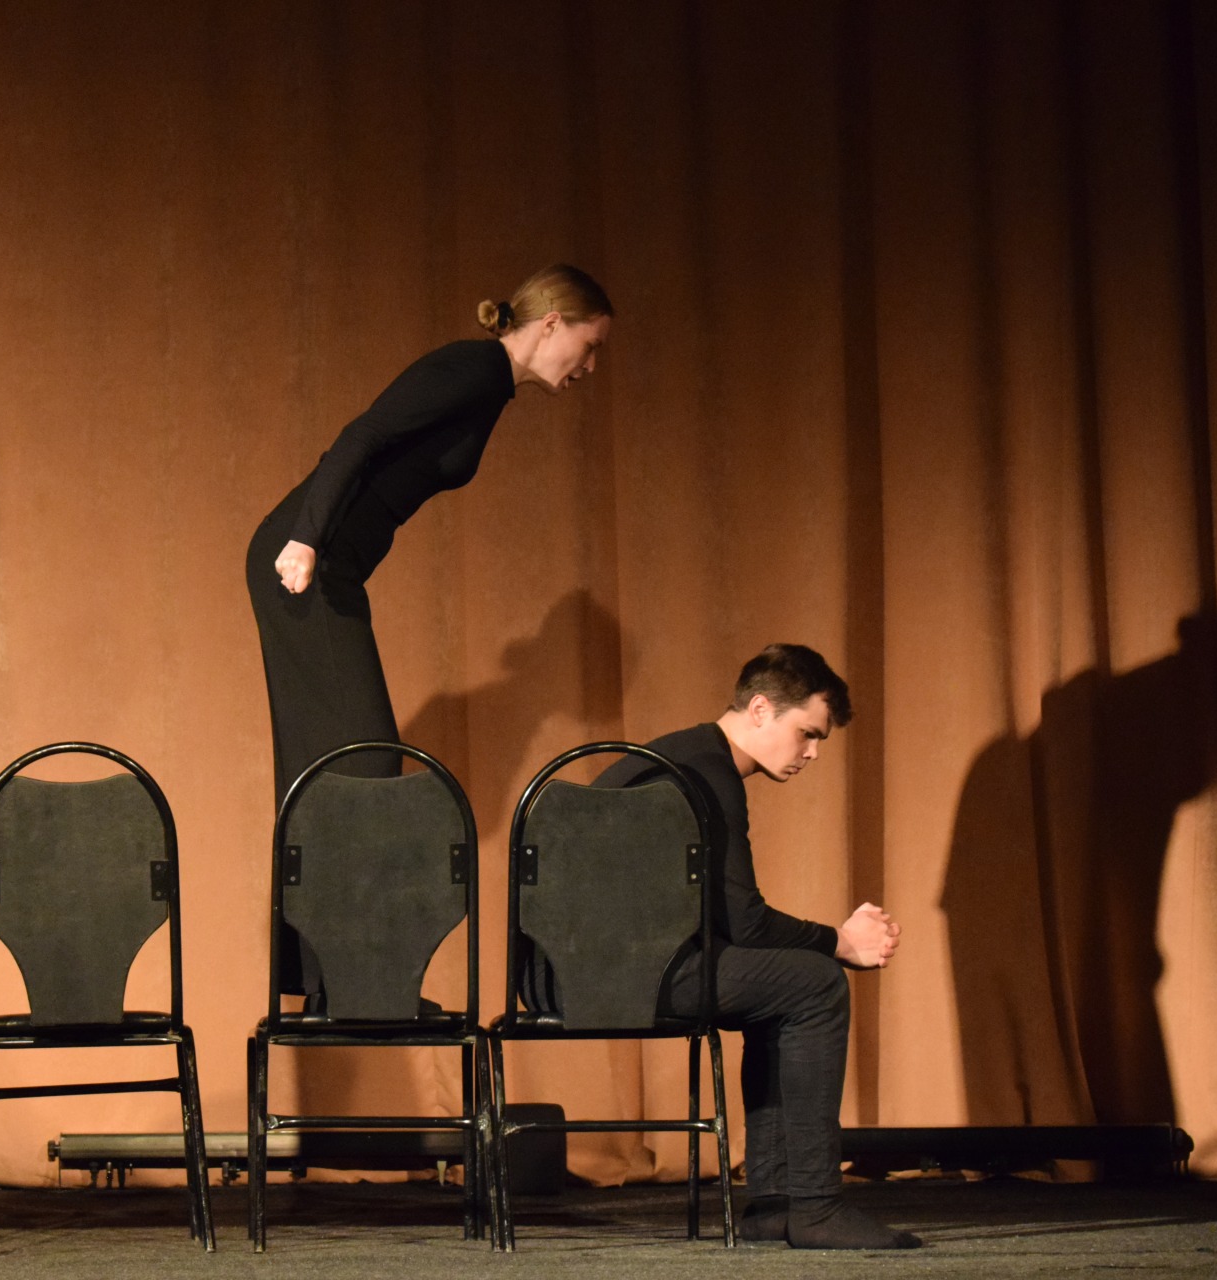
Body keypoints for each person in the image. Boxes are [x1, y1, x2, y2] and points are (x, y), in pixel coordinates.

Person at [246, 264, 613, 808]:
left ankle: (312, 863)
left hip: (329, 564)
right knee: (363, 760)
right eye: (590, 346)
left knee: (331, 758)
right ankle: (329, 864)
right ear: (553, 324)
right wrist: (305, 539)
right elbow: (362, 435)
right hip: (307, 559)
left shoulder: (492, 386)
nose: (591, 365)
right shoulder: (476, 369)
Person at [595, 644, 921, 1249]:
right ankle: (815, 1206)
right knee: (815, 983)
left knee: (786, 981)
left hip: (570, 976)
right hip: (629, 976)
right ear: (762, 709)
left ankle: (774, 1207)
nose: (813, 753)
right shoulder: (707, 774)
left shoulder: (679, 754)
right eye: (807, 734)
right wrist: (840, 942)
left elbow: (722, 923)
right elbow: (745, 923)